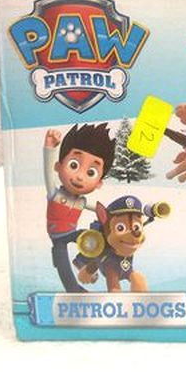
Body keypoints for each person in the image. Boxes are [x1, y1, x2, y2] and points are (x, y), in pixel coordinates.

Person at [43, 123, 116, 291]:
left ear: (99, 183)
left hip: (74, 233)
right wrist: (49, 147)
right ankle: (72, 288)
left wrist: (111, 216)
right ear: (58, 166)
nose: (80, 177)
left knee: (99, 239)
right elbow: (47, 173)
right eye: (74, 165)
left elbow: (99, 209)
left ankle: (82, 262)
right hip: (57, 237)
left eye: (91, 172)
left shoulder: (82, 201)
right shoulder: (55, 194)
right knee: (61, 262)